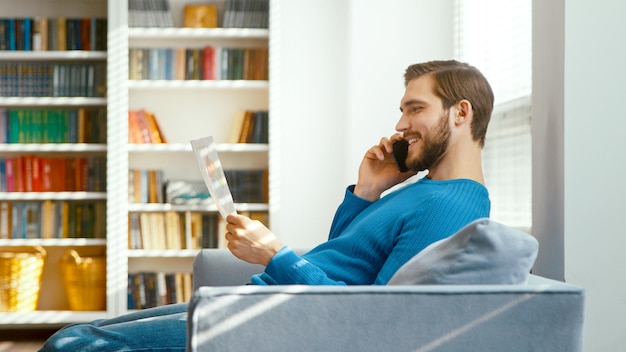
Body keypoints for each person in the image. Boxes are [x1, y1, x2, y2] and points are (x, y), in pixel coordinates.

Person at [40, 59, 494, 351]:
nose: (399, 123)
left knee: (73, 345)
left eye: (415, 109)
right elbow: (342, 258)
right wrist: (367, 191)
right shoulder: (421, 189)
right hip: (263, 301)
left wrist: (275, 255)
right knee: (77, 334)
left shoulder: (452, 205)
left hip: (277, 320)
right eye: (402, 110)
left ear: (460, 113)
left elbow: (373, 320)